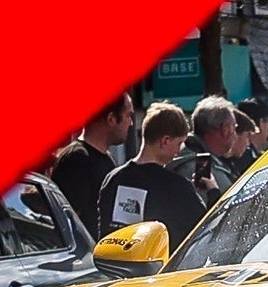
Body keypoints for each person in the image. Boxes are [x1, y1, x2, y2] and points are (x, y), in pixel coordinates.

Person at [99, 103, 210, 247]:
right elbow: (204, 230)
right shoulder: (177, 187)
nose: (178, 151)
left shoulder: (112, 178)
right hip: (163, 267)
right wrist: (212, 192)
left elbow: (103, 235)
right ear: (165, 141)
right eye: (179, 144)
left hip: (116, 266)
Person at [47, 98, 132, 227]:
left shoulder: (105, 158)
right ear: (111, 119)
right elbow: (69, 221)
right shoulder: (77, 159)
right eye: (128, 116)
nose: (131, 123)